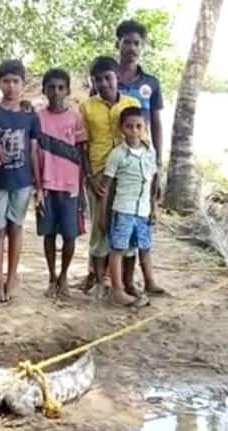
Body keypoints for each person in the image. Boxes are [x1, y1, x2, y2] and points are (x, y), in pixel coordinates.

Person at [0, 59, 42, 302]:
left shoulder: (30, 116)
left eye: (16, 81)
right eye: (6, 81)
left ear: (23, 84)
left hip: (22, 182)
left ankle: (12, 277)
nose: (11, 86)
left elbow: (34, 151)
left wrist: (38, 184)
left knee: (16, 228)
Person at [79, 56, 140, 301]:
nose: (104, 83)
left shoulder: (131, 103)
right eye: (98, 79)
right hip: (98, 174)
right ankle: (97, 277)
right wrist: (88, 177)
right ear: (93, 82)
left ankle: (127, 280)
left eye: (108, 78)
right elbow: (82, 146)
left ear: (117, 78)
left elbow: (141, 138)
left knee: (126, 226)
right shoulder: (86, 107)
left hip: (127, 177)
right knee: (99, 226)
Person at [114, 19, 166, 296]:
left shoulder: (151, 83)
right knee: (113, 219)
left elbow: (156, 122)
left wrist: (158, 157)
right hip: (116, 159)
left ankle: (132, 280)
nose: (132, 48)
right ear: (118, 44)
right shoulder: (108, 77)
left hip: (143, 160)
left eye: (137, 43)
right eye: (127, 42)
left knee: (139, 219)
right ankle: (105, 280)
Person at [100, 107, 164, 306]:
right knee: (118, 249)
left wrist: (154, 207)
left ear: (144, 128)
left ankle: (150, 282)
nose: (134, 131)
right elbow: (106, 187)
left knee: (144, 247)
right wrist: (103, 215)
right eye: (129, 127)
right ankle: (117, 290)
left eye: (139, 126)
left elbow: (153, 180)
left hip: (143, 210)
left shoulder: (149, 152)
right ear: (122, 129)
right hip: (124, 210)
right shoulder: (118, 155)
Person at [35, 68, 87, 300]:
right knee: (48, 234)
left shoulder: (75, 117)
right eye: (51, 87)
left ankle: (64, 276)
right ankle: (51, 277)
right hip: (47, 185)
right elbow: (34, 152)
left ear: (67, 90)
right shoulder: (38, 117)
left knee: (69, 235)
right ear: (44, 90)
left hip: (70, 186)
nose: (55, 92)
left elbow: (81, 152)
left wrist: (82, 186)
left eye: (60, 87)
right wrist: (37, 187)